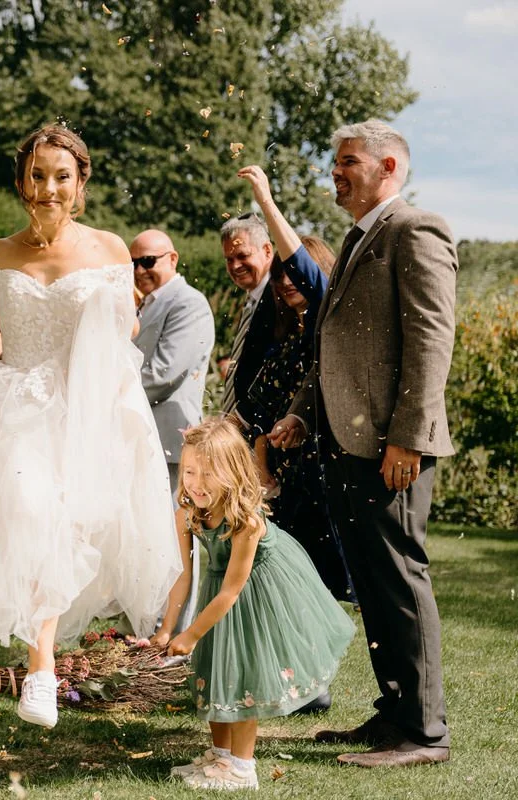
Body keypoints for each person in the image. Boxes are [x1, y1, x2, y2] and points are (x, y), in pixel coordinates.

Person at [0, 124, 181, 730]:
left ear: (80, 183)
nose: (48, 188)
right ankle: (42, 666)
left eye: (61, 176)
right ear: (21, 180)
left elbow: (123, 338)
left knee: (63, 525)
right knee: (24, 507)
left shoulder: (110, 251)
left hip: (86, 406)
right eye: (37, 175)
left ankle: (39, 666)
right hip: (15, 403)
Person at [269, 120, 457, 768]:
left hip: (389, 450)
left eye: (349, 161)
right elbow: (335, 350)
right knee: (374, 587)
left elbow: (431, 341)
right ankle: (393, 715)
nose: (336, 172)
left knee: (400, 582)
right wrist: (299, 415)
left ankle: (425, 734)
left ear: (390, 168)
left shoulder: (414, 229)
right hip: (342, 445)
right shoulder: (358, 238)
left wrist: (407, 438)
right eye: (336, 160)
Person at [153, 417, 354, 790]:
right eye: (191, 471)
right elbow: (182, 577)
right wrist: (167, 629)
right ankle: (221, 757)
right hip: (218, 590)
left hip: (255, 592)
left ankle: (243, 768)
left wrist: (193, 634)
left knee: (244, 674)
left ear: (230, 472)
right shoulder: (186, 513)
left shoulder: (245, 520)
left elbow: (233, 590)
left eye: (208, 473)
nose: (196, 483)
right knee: (214, 672)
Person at [236, 165, 352, 608]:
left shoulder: (326, 315)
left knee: (319, 577)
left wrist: (266, 202)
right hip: (282, 462)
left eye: (293, 274)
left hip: (319, 461)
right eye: (278, 275)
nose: (284, 282)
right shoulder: (287, 336)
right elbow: (258, 397)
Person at [130, 229, 215, 493]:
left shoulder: (188, 303)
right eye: (132, 264)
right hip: (140, 438)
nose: (139, 271)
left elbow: (164, 374)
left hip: (169, 442)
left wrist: (109, 394)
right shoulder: (143, 304)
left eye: (147, 261)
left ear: (173, 259)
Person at [218, 214, 275, 424]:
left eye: (243, 256)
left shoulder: (279, 301)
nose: (235, 266)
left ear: (267, 251)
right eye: (229, 259)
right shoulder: (251, 299)